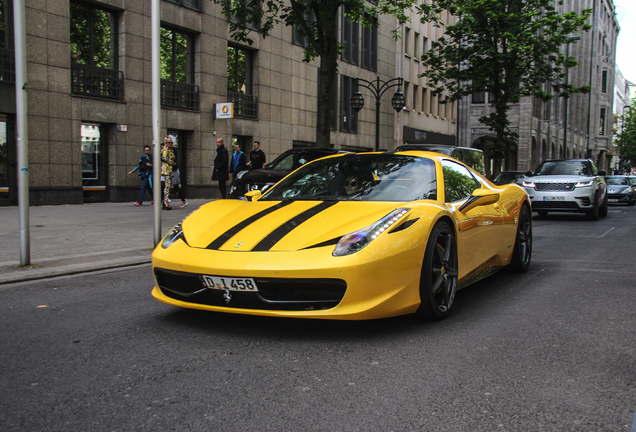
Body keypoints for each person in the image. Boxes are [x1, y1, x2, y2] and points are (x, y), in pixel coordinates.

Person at [161, 136, 175, 210]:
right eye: (169, 142)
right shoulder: (166, 150)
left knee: (168, 186)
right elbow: (164, 157)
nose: (171, 144)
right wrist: (171, 162)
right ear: (166, 143)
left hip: (169, 170)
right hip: (166, 170)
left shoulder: (170, 150)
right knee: (167, 186)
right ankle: (165, 201)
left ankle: (165, 201)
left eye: (171, 142)